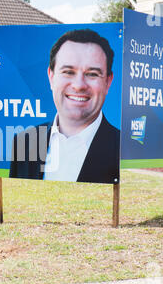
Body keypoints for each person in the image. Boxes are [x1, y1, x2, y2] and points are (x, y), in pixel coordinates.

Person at [9, 29, 119, 184]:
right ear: (51, 77)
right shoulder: (24, 142)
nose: (79, 85)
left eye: (92, 74)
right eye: (68, 72)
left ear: (108, 82)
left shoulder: (123, 150)